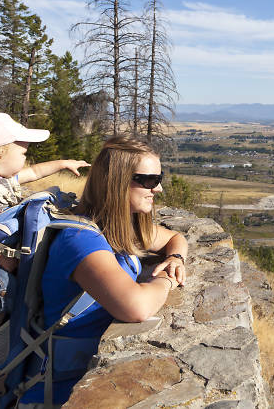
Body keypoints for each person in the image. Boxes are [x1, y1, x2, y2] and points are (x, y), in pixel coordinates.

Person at [19, 135, 187, 405]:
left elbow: (174, 238)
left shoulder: (117, 227)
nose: (158, 189)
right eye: (149, 180)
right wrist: (167, 279)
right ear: (117, 182)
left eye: (160, 178)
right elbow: (136, 307)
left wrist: (176, 257)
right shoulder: (81, 241)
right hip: (56, 393)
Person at [0, 112, 90, 338]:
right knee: (0, 286)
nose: (26, 156)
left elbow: (34, 171)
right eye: (23, 152)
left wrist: (62, 163)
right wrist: (1, 257)